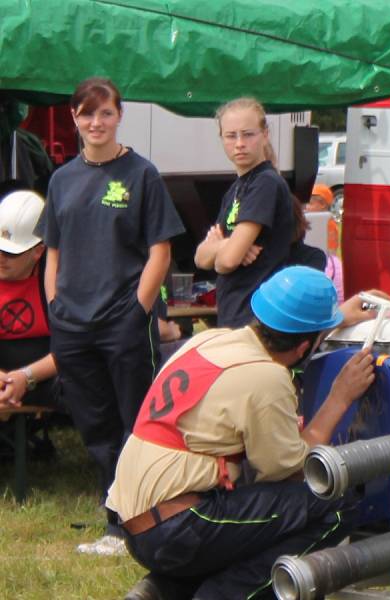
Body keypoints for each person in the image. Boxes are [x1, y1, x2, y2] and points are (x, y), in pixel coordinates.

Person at [111, 266, 376, 600]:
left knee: (259, 521)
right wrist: (339, 397)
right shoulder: (267, 377)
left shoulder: (211, 340)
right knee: (335, 501)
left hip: (136, 522)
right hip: (178, 526)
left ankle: (164, 591)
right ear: (306, 346)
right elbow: (291, 471)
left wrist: (334, 319)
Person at [37, 77, 185, 555]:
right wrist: (55, 308)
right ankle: (115, 524)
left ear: (119, 116)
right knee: (95, 426)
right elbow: (51, 252)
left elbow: (160, 252)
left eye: (104, 113)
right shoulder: (62, 179)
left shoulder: (142, 174)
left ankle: (145, 521)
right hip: (72, 324)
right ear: (75, 119)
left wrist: (136, 310)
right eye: (86, 113)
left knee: (135, 420)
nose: (95, 122)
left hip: (123, 320)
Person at [194, 98, 294, 328]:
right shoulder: (236, 189)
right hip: (233, 313)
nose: (239, 143)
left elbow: (226, 263)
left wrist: (224, 250)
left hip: (256, 317)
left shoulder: (265, 183)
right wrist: (228, 245)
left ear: (265, 134)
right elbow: (200, 257)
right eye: (231, 136)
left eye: (248, 134)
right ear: (221, 139)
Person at [0, 190, 57, 409]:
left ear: (38, 252)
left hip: (45, 377)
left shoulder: (56, 281)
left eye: (11, 253)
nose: (1, 258)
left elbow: (74, 349)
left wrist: (25, 377)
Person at [305, 184, 345, 302]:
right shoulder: (317, 221)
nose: (306, 207)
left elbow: (330, 250)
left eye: (310, 204)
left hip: (326, 265)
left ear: (322, 205)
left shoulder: (327, 224)